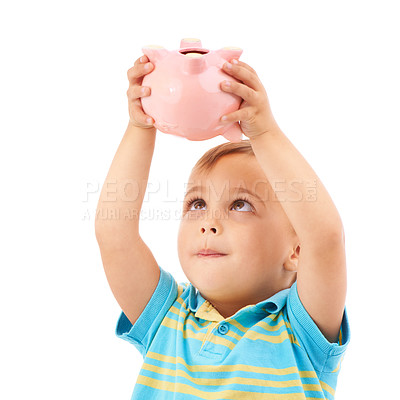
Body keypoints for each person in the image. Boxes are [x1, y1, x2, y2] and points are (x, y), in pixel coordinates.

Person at [95, 54, 350, 399]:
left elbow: (326, 238)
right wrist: (140, 126)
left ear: (297, 251)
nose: (209, 223)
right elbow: (115, 234)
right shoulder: (167, 318)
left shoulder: (300, 333)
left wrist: (265, 131)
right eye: (197, 204)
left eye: (240, 204)